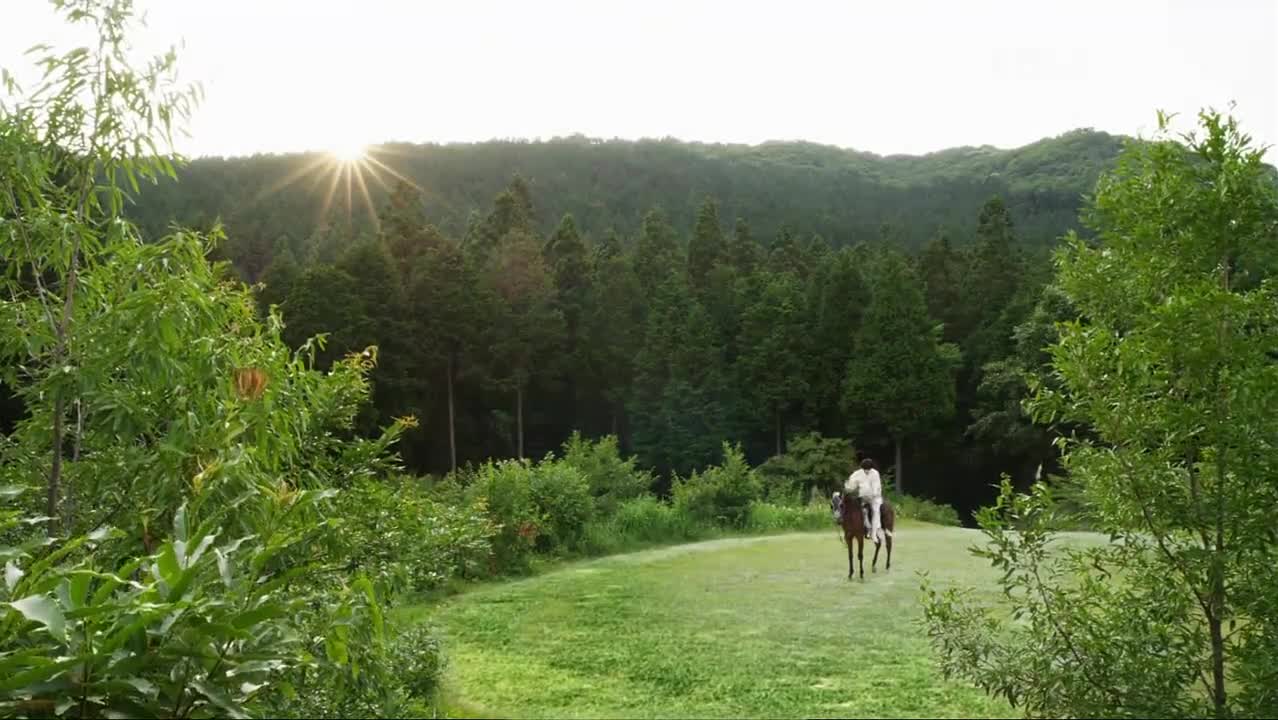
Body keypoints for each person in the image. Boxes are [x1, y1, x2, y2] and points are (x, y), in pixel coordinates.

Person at [844, 458, 884, 545]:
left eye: (868, 469)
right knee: (859, 511)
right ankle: (862, 528)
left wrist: (872, 495)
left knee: (875, 511)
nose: (866, 471)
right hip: (862, 497)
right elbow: (852, 485)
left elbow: (876, 487)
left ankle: (874, 533)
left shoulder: (875, 474)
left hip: (875, 498)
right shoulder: (857, 474)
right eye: (865, 469)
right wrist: (848, 487)